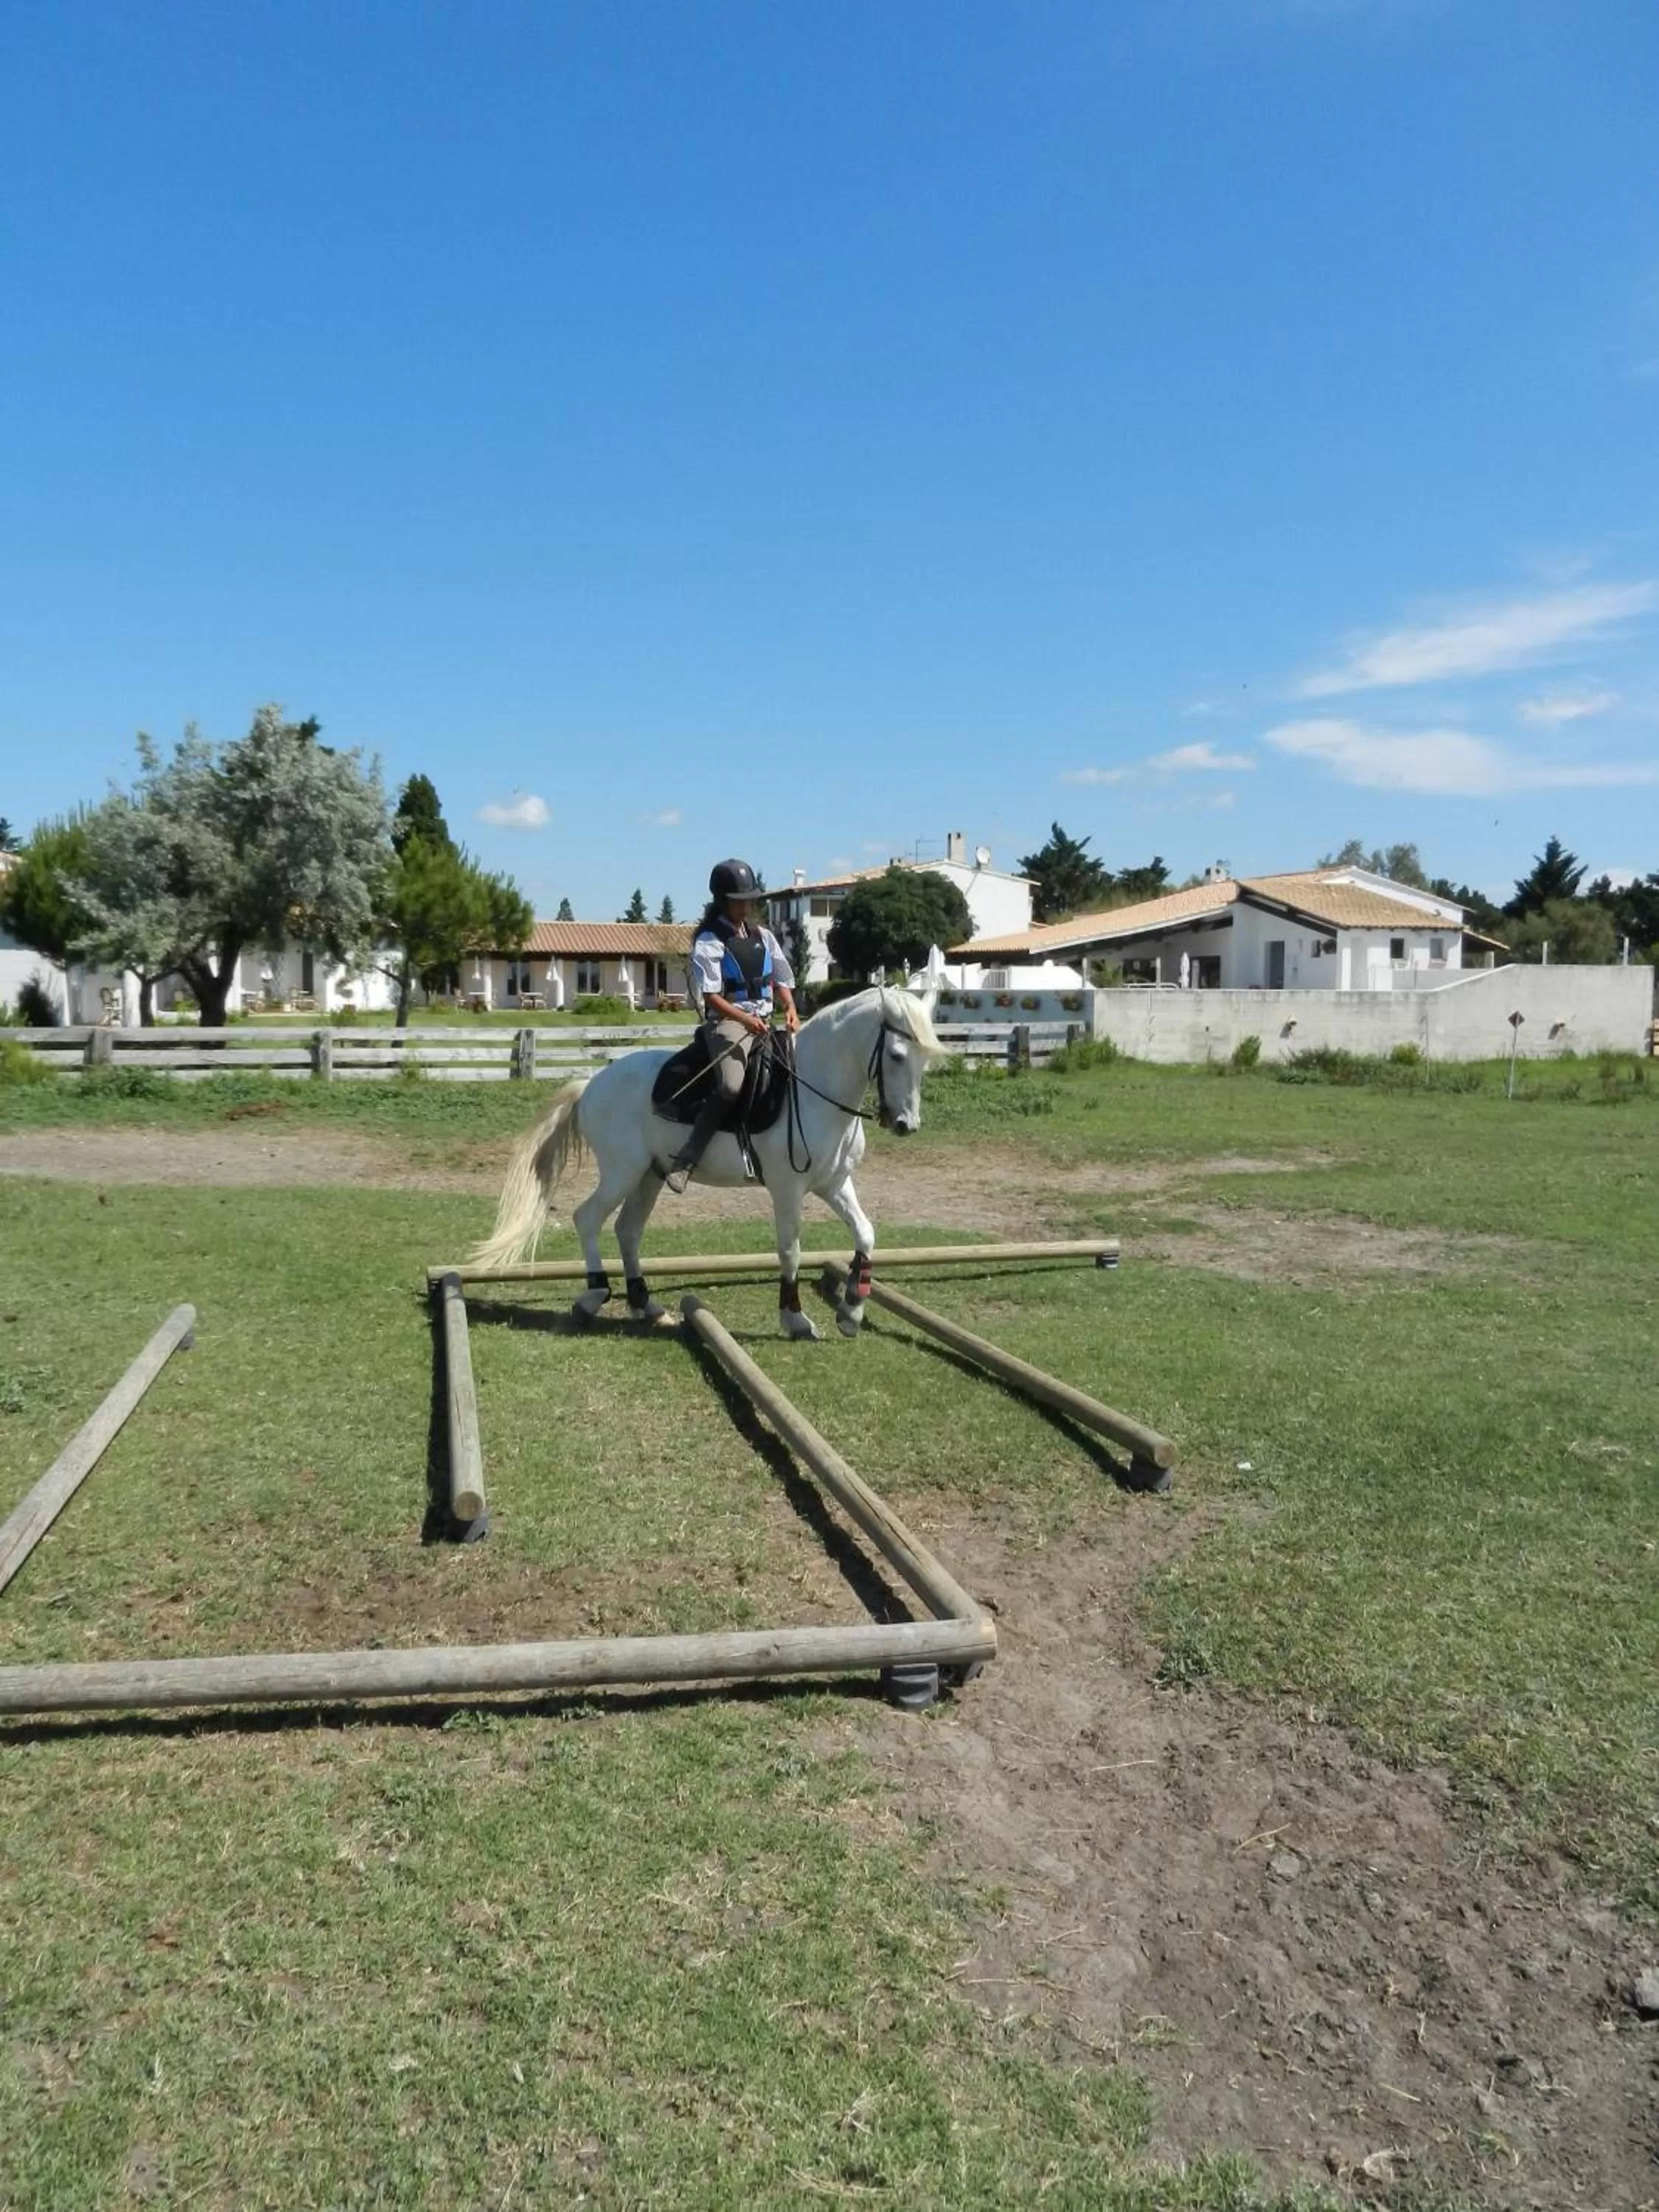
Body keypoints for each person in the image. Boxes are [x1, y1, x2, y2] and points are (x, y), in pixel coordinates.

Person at [664, 858, 799, 1191]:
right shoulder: (710, 940)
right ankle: (687, 1159)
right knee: (730, 1085)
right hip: (728, 1024)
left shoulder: (763, 936)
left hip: (765, 1022)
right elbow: (712, 997)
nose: (746, 905)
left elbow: (780, 978)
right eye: (740, 900)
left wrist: (790, 1007)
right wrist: (745, 1020)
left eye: (750, 899)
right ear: (722, 900)